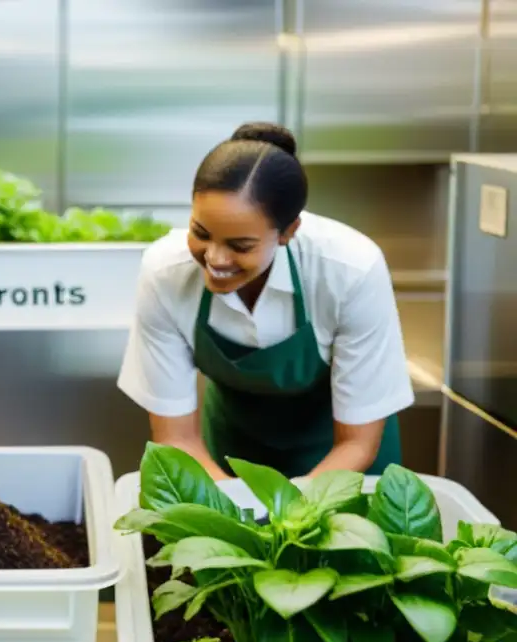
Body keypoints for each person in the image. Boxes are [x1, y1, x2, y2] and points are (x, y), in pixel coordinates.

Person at [118, 121, 414, 481]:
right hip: (230, 452)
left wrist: (286, 517)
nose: (215, 258)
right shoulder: (166, 272)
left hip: (342, 464)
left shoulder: (349, 270)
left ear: (288, 232)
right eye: (201, 232)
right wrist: (234, 508)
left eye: (240, 246)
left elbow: (357, 443)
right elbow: (176, 438)